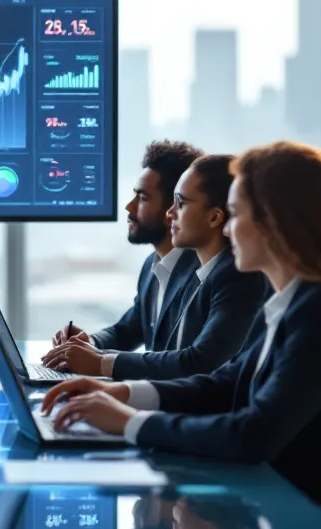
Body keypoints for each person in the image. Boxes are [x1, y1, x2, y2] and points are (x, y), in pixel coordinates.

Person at [39, 141, 321, 505]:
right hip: (280, 498)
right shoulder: (290, 303)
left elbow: (253, 433)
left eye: (235, 214)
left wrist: (131, 422)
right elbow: (224, 383)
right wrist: (123, 393)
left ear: (277, 223)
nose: (226, 229)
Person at [78, 154, 269, 380]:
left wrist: (101, 363)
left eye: (180, 203)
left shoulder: (233, 275)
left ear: (214, 218)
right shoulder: (195, 270)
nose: (170, 214)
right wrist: (90, 346)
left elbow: (199, 363)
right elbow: (132, 329)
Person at [42, 140, 203, 373]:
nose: (129, 207)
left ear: (173, 207)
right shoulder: (152, 265)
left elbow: (190, 363)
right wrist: (88, 342)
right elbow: (127, 330)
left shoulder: (202, 272)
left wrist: (99, 363)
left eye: (143, 198)